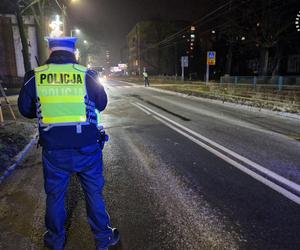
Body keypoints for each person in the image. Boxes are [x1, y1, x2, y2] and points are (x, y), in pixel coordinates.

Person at [18, 37, 120, 250]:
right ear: (73, 52)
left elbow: (25, 110)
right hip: (87, 148)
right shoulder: (87, 75)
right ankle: (103, 239)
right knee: (94, 193)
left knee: (55, 196)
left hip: (54, 150)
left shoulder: (35, 76)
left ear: (50, 50)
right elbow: (101, 104)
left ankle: (55, 240)